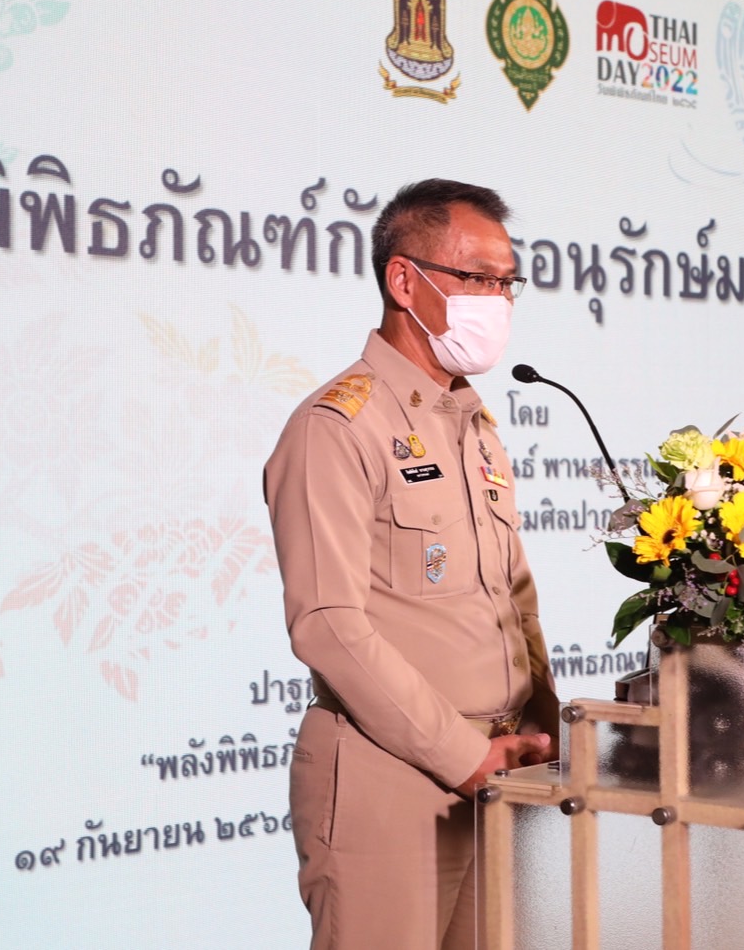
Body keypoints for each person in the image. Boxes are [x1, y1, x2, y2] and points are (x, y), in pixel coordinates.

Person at [264, 179, 560, 949]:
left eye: (508, 284)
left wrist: (550, 731)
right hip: (389, 777)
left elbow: (513, 601)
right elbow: (327, 625)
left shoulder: (476, 425)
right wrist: (464, 757)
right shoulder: (338, 426)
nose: (498, 301)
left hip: (503, 773)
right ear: (404, 280)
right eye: (478, 279)